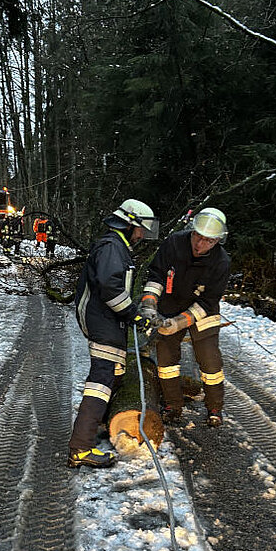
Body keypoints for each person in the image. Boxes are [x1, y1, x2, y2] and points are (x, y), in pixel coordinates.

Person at [68, 199, 159, 468]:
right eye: (141, 228)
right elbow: (110, 289)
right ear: (129, 224)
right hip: (103, 323)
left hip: (109, 322)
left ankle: (98, 422)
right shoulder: (111, 248)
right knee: (101, 382)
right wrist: (133, 315)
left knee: (116, 374)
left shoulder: (118, 247)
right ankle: (81, 448)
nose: (142, 234)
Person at [140, 207, 230, 427]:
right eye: (197, 237)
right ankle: (172, 406)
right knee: (166, 360)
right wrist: (150, 302)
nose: (200, 245)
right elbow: (156, 274)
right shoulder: (173, 243)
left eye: (208, 241)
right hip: (170, 306)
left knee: (210, 362)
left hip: (202, 312)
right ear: (192, 230)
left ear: (218, 240)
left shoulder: (222, 262)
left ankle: (214, 408)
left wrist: (180, 322)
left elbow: (208, 302)